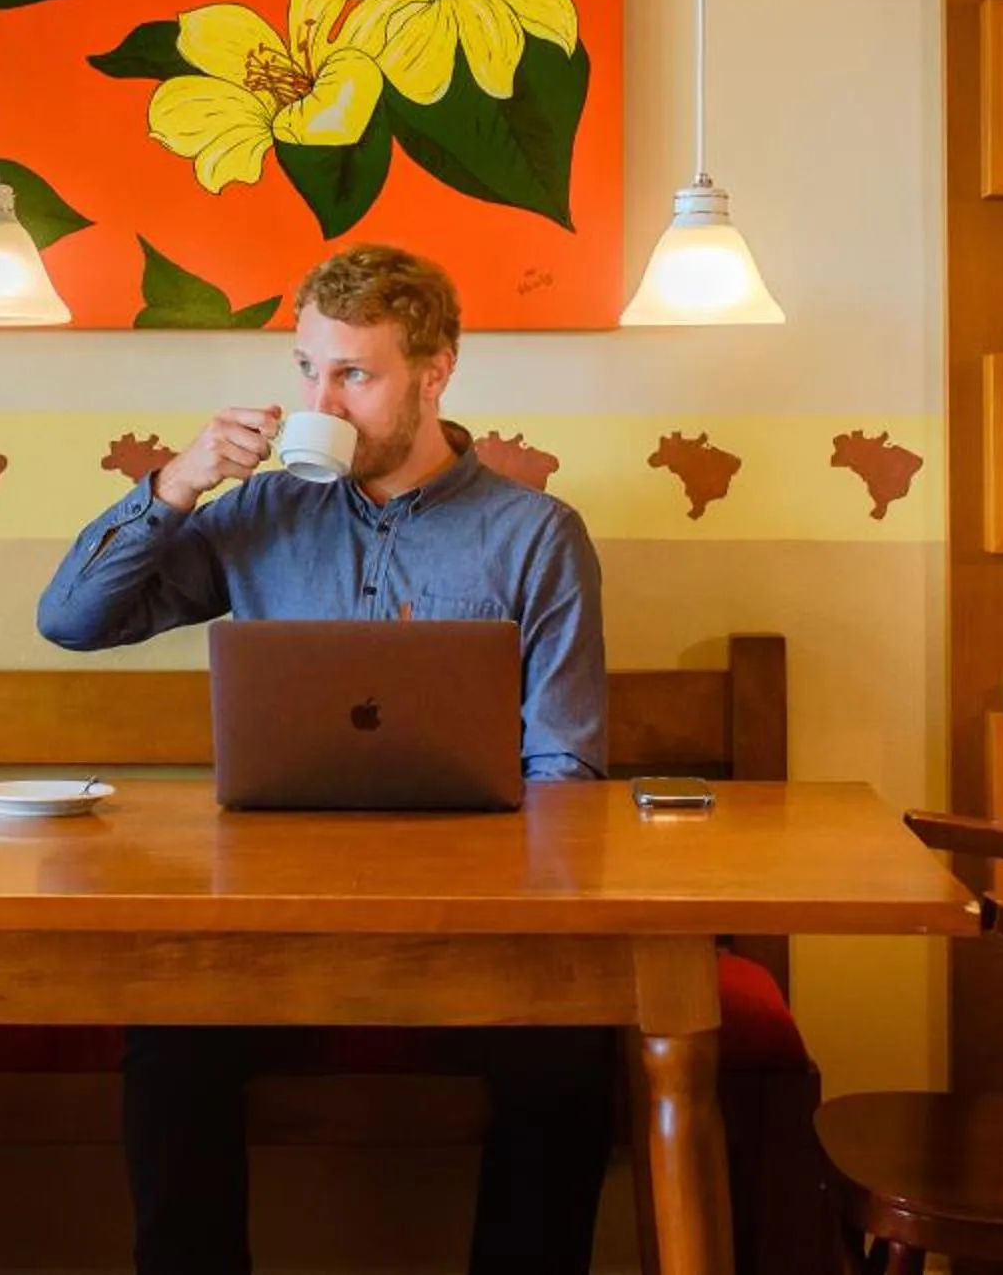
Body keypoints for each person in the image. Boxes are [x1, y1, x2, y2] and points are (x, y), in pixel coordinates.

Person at [39, 243, 613, 1275]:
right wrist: (177, 483)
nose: (322, 400)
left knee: (569, 1055)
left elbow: (564, 771)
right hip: (273, 919)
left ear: (436, 374)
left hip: (469, 924)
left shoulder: (536, 537)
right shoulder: (259, 515)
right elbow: (74, 621)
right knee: (168, 1042)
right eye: (308, 370)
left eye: (354, 374)